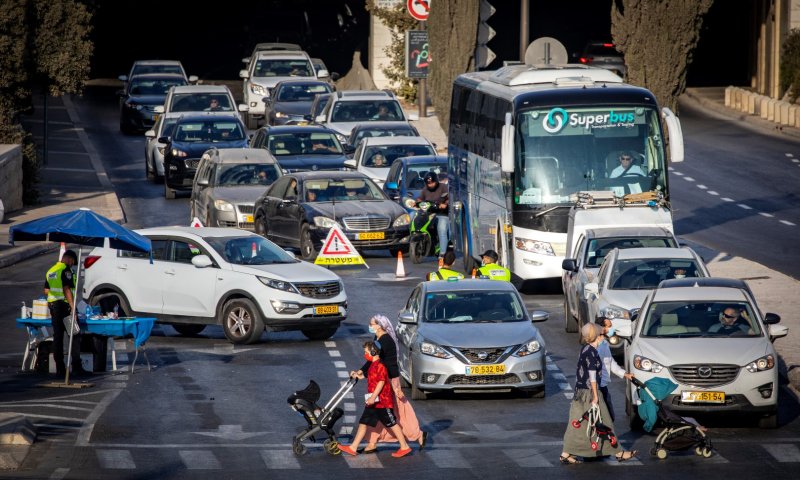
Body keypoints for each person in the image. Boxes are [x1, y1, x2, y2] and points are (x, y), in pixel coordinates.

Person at [560, 323, 637, 464]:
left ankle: (565, 453)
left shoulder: (585, 348)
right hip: (590, 393)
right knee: (606, 421)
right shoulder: (592, 352)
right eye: (600, 334)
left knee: (577, 422)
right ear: (596, 336)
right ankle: (619, 453)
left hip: (580, 392)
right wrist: (595, 395)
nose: (603, 336)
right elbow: (592, 376)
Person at [350, 315, 427, 453]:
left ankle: (417, 435)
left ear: (379, 325)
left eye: (371, 323)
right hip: (381, 377)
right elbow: (372, 361)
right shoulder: (378, 339)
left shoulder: (385, 341)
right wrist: (361, 371)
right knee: (379, 412)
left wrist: (365, 373)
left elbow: (379, 362)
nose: (370, 325)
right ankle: (372, 442)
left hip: (389, 379)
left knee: (398, 411)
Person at [338, 341, 413, 458]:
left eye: (366, 352)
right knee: (363, 423)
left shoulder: (380, 365)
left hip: (382, 402)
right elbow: (366, 376)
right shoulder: (372, 364)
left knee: (392, 423)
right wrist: (356, 375)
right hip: (373, 402)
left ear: (373, 352)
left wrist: (373, 397)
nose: (365, 354)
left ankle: (404, 447)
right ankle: (353, 447)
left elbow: (381, 382)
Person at [44, 250, 87, 376]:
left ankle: (60, 368)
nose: (72, 264)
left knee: (58, 337)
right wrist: (73, 308)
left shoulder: (51, 270)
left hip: (53, 307)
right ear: (69, 259)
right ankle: (77, 367)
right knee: (74, 335)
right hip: (65, 307)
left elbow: (46, 290)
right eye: (73, 262)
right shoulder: (66, 270)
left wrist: (56, 295)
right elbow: (67, 289)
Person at [595, 317, 634, 422]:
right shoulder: (595, 345)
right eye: (609, 326)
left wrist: (625, 374)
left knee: (608, 414)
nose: (612, 329)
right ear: (601, 328)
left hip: (602, 385)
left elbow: (610, 362)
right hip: (596, 386)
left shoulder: (604, 343)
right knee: (606, 415)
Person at [415, 171, 449, 257]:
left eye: (432, 183)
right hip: (429, 213)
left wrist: (445, 204)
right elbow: (420, 198)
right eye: (428, 183)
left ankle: (443, 253)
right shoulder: (425, 189)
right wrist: (416, 202)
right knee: (413, 217)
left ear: (436, 181)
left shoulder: (443, 187)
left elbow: (448, 197)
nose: (430, 185)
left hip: (441, 214)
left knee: (442, 229)